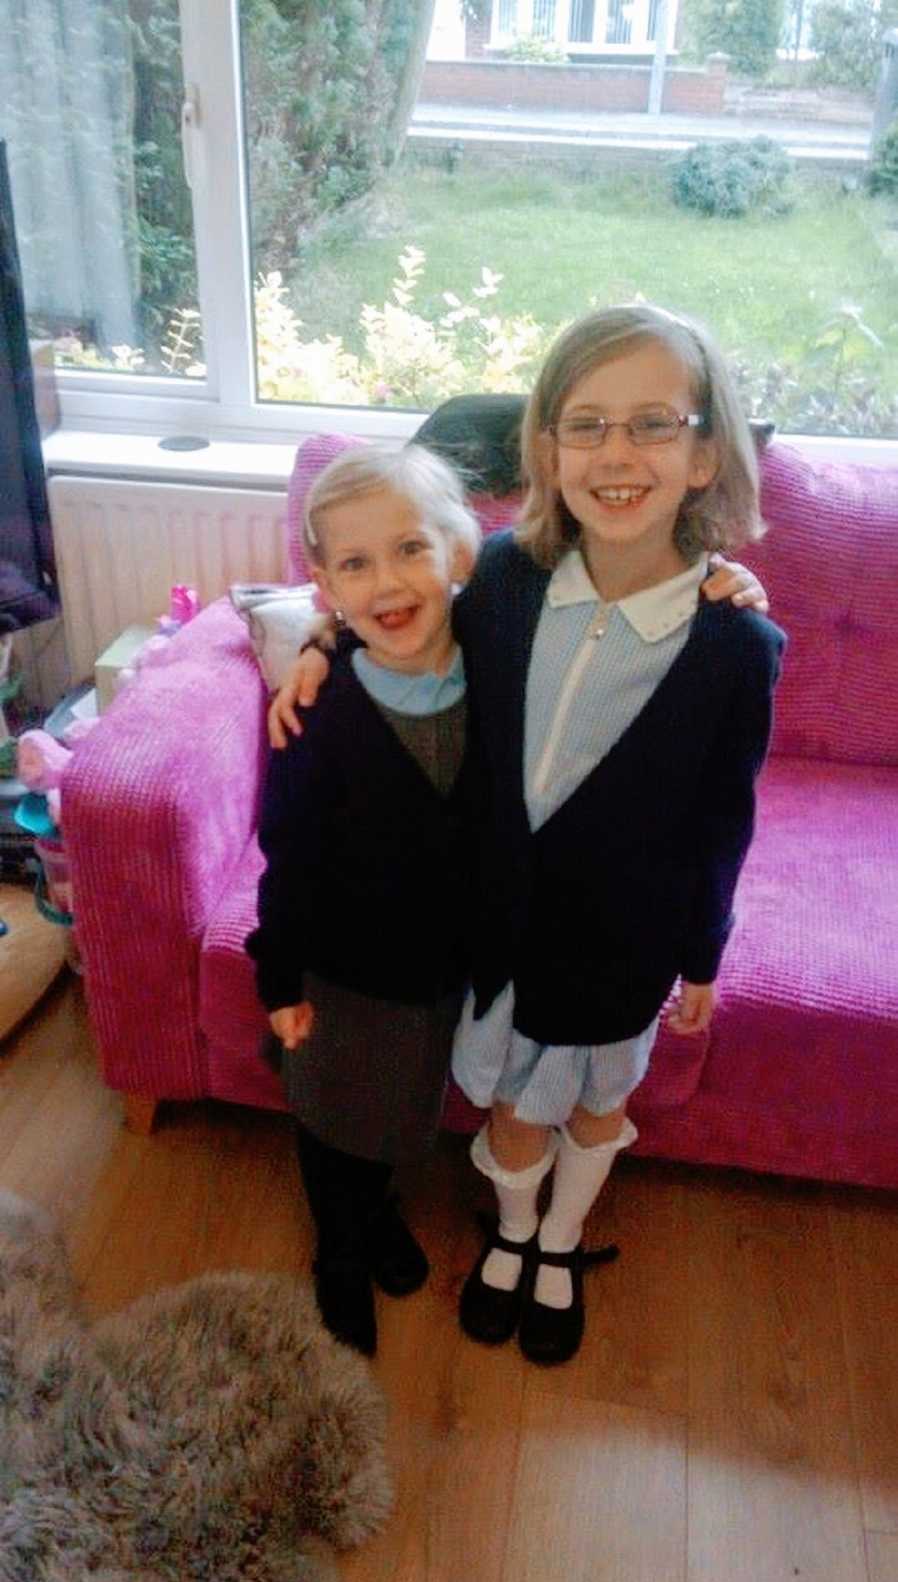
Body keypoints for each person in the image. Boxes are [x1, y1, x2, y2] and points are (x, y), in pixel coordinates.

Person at [270, 303, 783, 1368]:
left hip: (626, 942)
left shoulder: (736, 644)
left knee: (597, 1106)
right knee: (509, 1101)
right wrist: (320, 639)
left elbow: (722, 817)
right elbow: (395, 597)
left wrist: (701, 952)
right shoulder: (506, 579)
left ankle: (559, 1242)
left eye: (652, 423)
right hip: (501, 933)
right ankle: (510, 1237)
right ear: (546, 448)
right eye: (585, 424)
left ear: (703, 455)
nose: (616, 452)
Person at [245, 443, 480, 1357]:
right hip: (337, 971)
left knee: (398, 1114)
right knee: (330, 1116)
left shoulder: (494, 656)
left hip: (436, 970)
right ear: (324, 586)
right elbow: (288, 856)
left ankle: (375, 1210)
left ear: (461, 552)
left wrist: (720, 575)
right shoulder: (318, 708)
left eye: (411, 549)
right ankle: (337, 1249)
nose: (388, 582)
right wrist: (280, 978)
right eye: (355, 564)